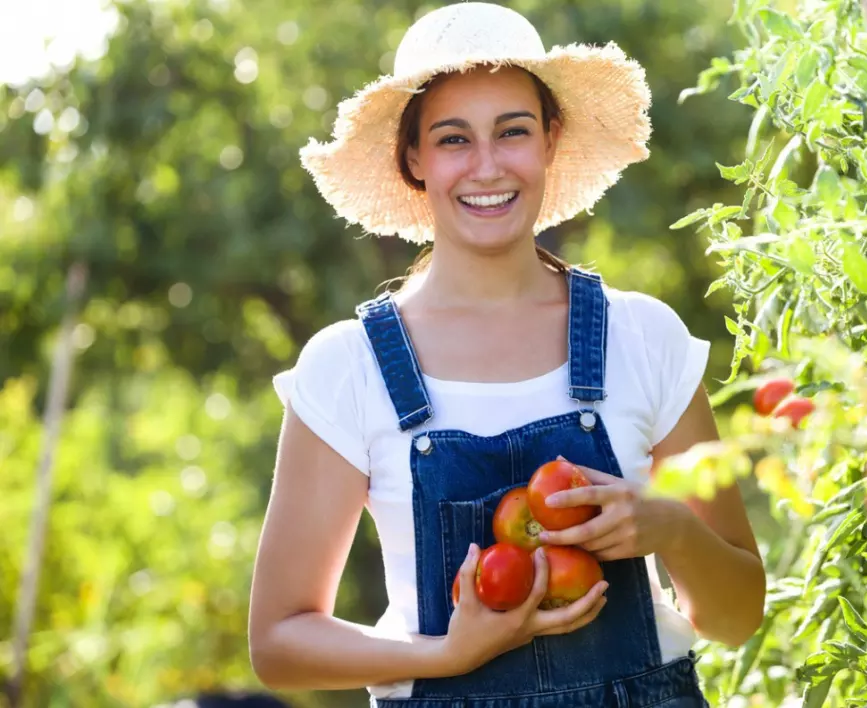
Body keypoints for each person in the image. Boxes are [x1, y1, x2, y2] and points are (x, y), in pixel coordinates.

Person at [248, 3, 766, 706]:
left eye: (513, 131)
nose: (487, 166)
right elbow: (278, 644)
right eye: (453, 138)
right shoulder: (349, 368)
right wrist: (449, 654)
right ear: (414, 159)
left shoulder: (643, 338)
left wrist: (668, 525)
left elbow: (736, 618)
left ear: (550, 140)